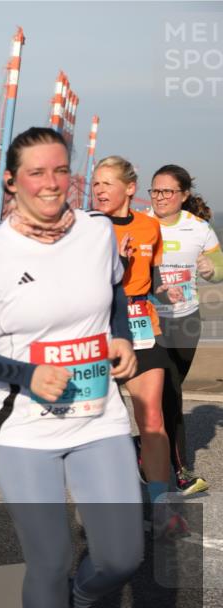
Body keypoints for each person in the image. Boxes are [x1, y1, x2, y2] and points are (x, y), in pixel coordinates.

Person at [0, 127, 142, 608]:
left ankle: (81, 604)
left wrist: (120, 334)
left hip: (97, 417)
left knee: (123, 556)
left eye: (60, 170)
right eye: (37, 172)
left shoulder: (98, 232)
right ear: (12, 183)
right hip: (21, 430)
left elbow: (117, 290)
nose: (51, 183)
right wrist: (27, 374)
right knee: (51, 558)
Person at [92, 156, 184, 538]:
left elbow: (153, 275)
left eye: (107, 183)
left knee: (153, 422)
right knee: (101, 426)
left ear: (130, 188)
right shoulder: (85, 228)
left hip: (143, 330)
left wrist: (166, 288)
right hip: (99, 333)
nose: (98, 190)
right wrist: (115, 261)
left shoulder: (149, 226)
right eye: (96, 183)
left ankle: (161, 506)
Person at [149, 164, 222, 495]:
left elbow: (218, 269)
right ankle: (171, 467)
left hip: (186, 321)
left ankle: (156, 457)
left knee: (170, 392)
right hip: (148, 321)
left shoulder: (199, 229)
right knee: (163, 392)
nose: (160, 197)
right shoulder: (141, 224)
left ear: (183, 195)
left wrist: (211, 269)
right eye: (155, 191)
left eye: (167, 191)